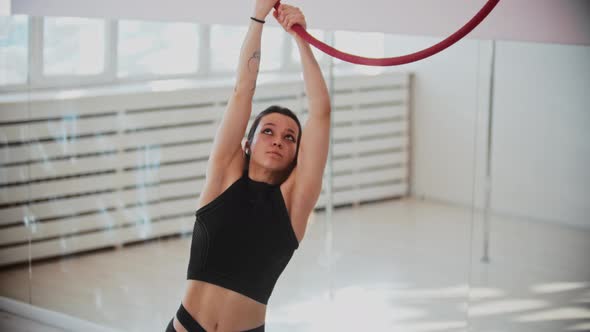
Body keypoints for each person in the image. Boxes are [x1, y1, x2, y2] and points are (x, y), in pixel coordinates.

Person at [166, 0, 331, 331]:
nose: (278, 141)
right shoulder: (223, 178)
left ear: (298, 153)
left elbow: (321, 111)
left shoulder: (294, 203)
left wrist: (301, 36)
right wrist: (258, 16)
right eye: (268, 131)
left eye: (290, 138)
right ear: (247, 143)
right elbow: (244, 90)